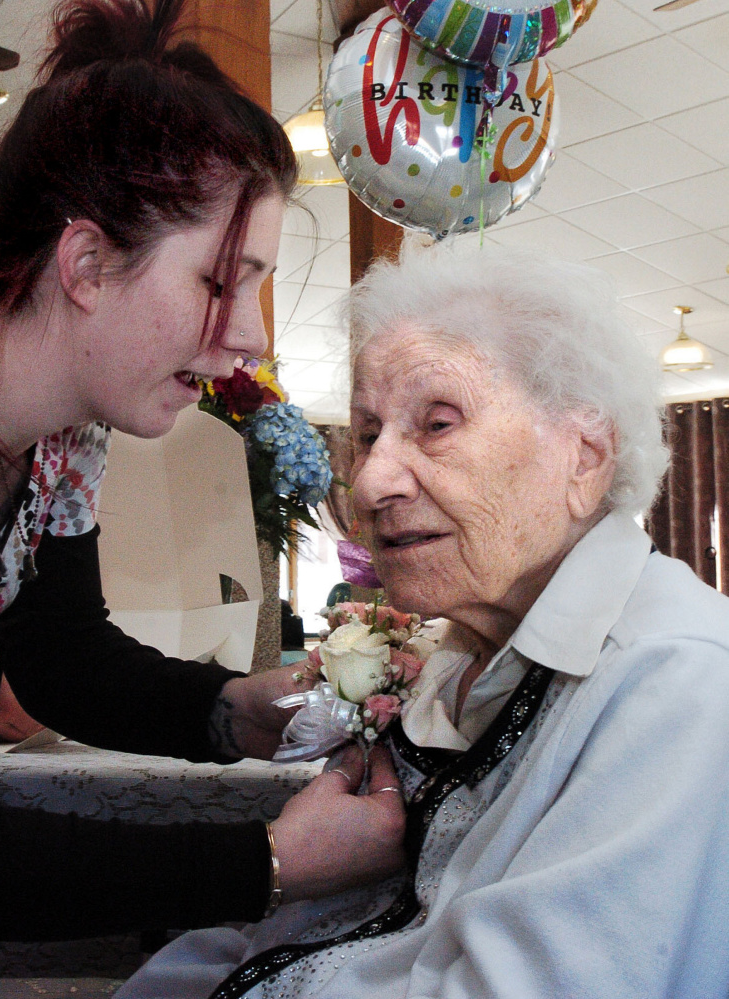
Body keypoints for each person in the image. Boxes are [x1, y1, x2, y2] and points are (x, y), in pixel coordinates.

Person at [0, 0, 405, 943]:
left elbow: (59, 652)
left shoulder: (63, 417)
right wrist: (274, 865)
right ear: (88, 262)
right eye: (221, 282)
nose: (250, 335)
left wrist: (235, 713)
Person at [117, 244, 729, 999]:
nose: (370, 480)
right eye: (369, 433)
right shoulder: (467, 653)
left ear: (584, 458)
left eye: (437, 424)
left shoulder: (676, 680)